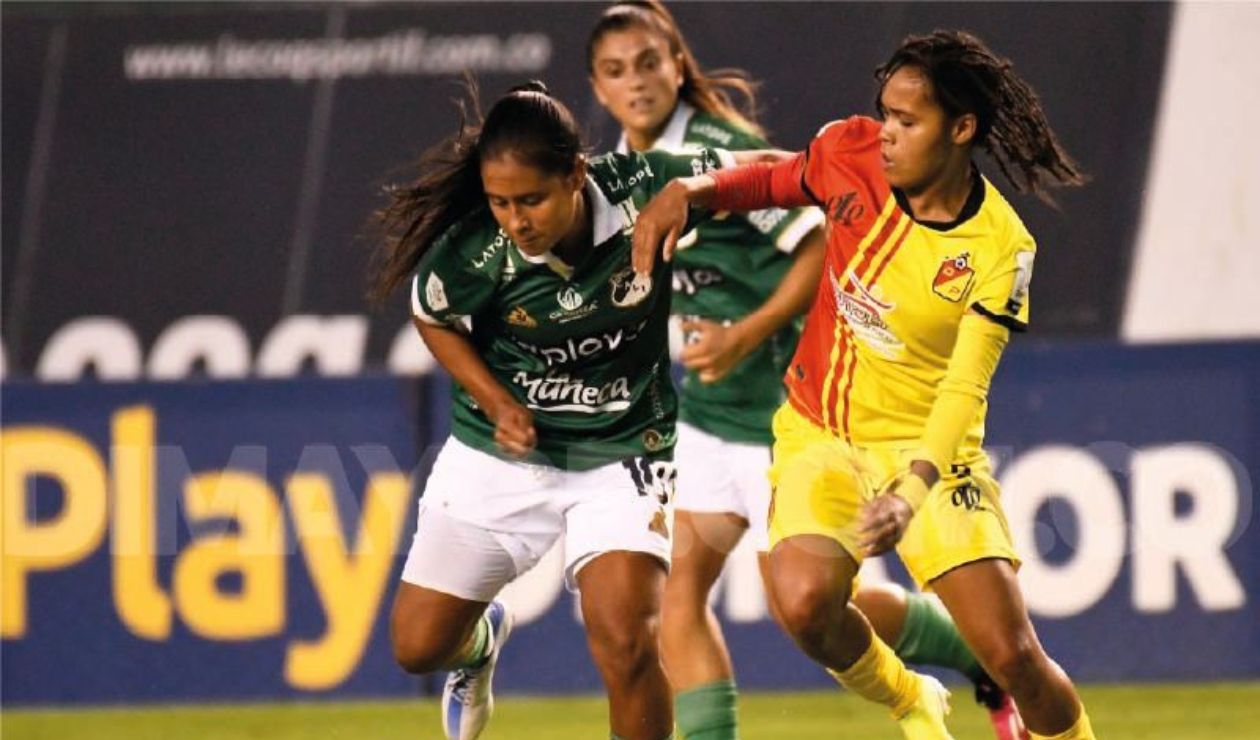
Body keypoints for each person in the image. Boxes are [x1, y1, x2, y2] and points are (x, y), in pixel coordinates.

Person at [631, 28, 1093, 740]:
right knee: (804, 603)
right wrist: (692, 191)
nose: (886, 134)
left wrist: (910, 492)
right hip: (822, 431)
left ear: (961, 129)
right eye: (885, 114)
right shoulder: (850, 154)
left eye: (908, 121)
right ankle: (913, 697)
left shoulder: (1001, 248)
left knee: (1013, 654)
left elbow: (964, 389)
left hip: (929, 452)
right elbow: (775, 177)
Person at [372, 80, 764, 740]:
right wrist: (498, 401)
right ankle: (479, 643)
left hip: (622, 450)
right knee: (417, 647)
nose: (516, 219)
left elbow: (763, 174)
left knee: (628, 639)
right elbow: (432, 314)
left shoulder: (642, 191)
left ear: (577, 175)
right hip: (500, 455)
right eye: (500, 202)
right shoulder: (477, 249)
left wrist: (697, 192)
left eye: (532, 199)